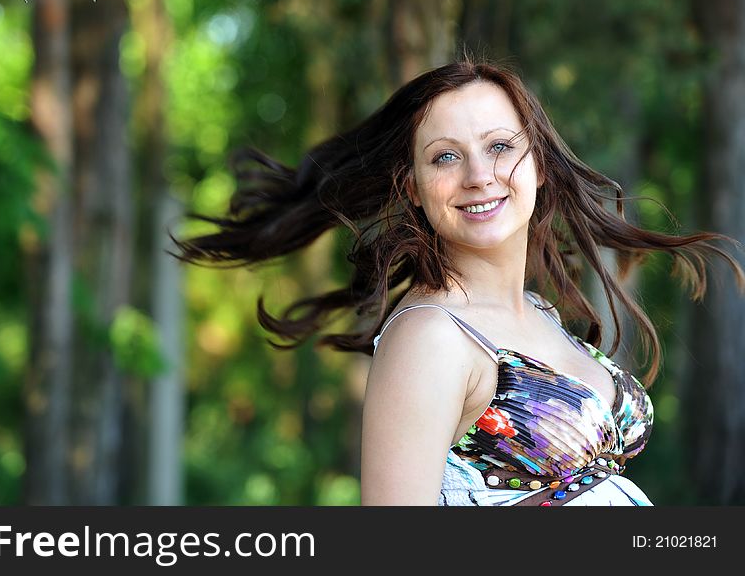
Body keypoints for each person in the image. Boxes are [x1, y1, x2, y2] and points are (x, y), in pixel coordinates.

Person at [171, 59, 744, 506]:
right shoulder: (431, 338)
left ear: (538, 163)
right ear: (414, 187)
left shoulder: (538, 311)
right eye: (445, 157)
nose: (479, 176)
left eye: (500, 146)